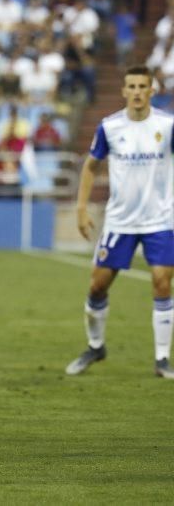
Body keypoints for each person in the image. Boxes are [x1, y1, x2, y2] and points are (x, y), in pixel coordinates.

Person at [66, 65, 174, 379]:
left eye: (143, 86)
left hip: (160, 220)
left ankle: (162, 359)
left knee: (161, 282)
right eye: (132, 86)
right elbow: (89, 167)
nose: (138, 91)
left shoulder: (167, 125)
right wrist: (81, 208)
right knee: (97, 286)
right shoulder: (110, 127)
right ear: (124, 90)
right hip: (119, 222)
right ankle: (96, 346)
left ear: (152, 90)